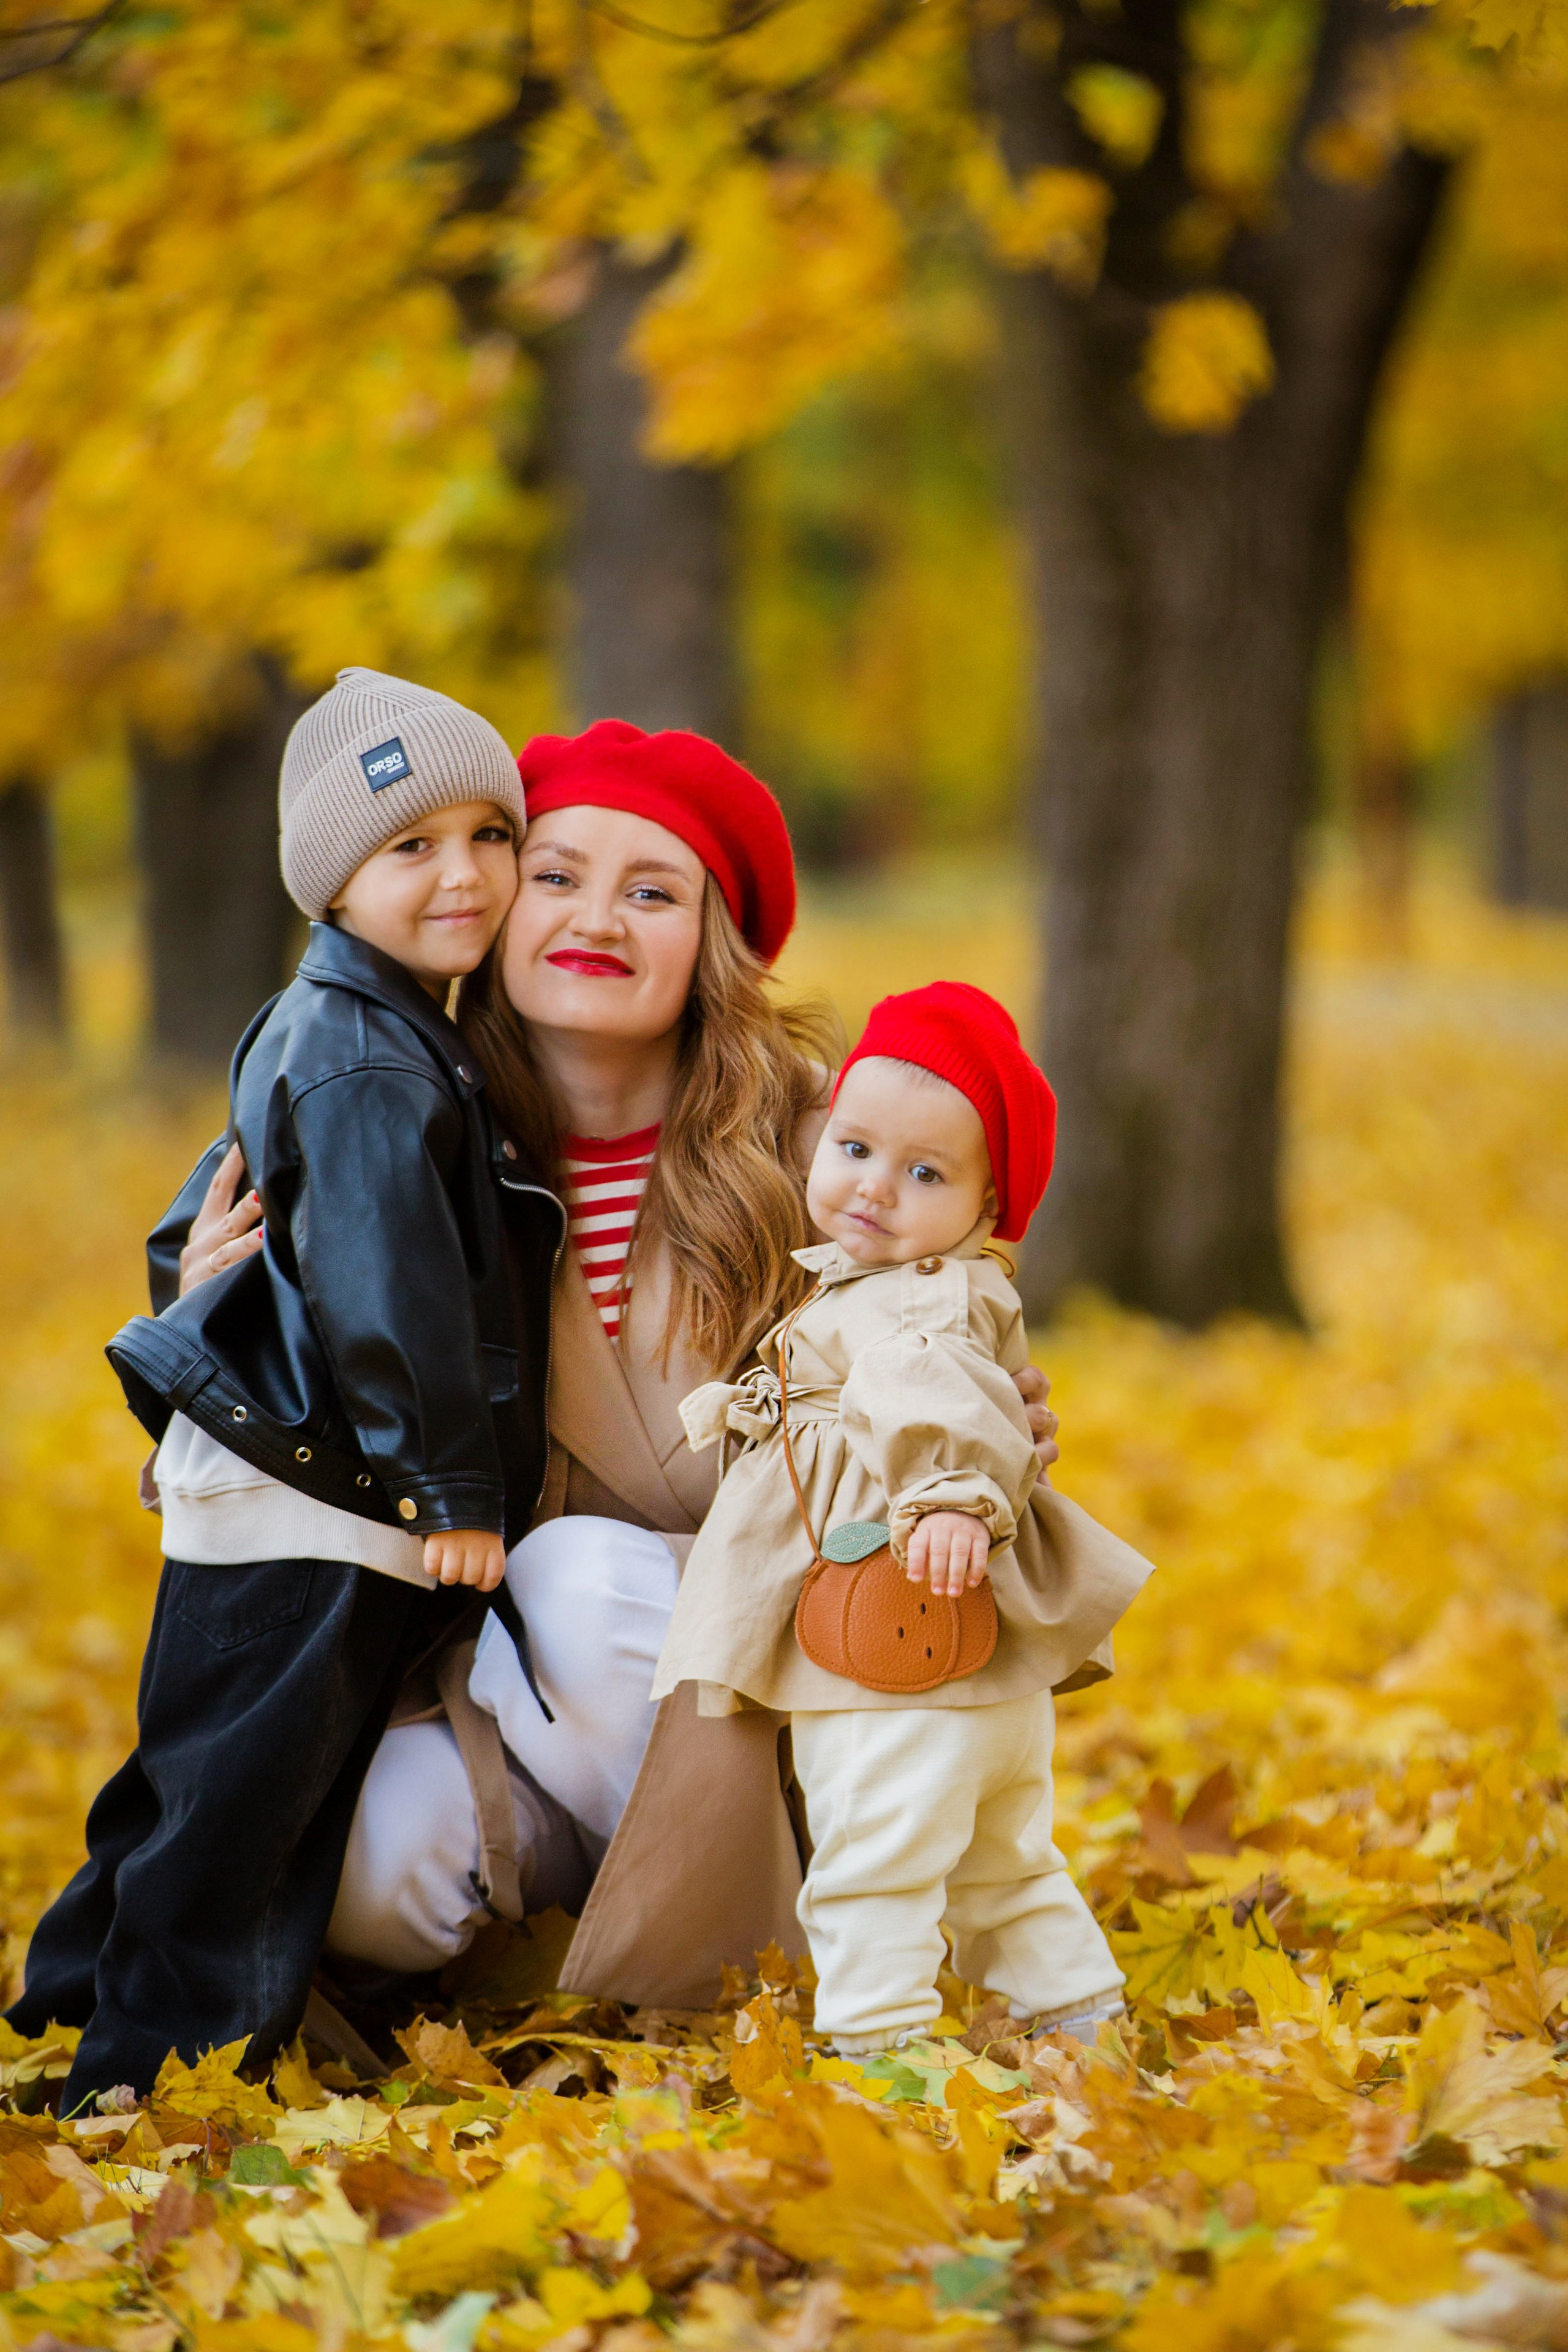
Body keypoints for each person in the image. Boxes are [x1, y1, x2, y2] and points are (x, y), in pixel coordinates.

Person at [183, 720, 1064, 2009]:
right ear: (492, 904)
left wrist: (989, 1422)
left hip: (781, 1671)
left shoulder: (824, 1148)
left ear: (709, 942)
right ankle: (598, 1929)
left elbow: (956, 1332)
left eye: (650, 891)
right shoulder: (390, 1120)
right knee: (371, 1871)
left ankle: (779, 1945)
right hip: (505, 1677)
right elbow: (275, 1419)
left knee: (586, 1580)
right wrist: (223, 1314)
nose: (597, 916)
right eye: (556, 874)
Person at [7, 669, 562, 2106]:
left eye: (488, 834)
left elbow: (194, 1222)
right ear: (333, 880)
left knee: (193, 1777)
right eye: (410, 847)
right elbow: (391, 1287)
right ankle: (150, 2075)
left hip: (301, 1484)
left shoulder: (351, 1023)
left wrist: (197, 1315)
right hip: (323, 1499)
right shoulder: (362, 1050)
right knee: (240, 1808)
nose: (464, 874)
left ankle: (67, 2002)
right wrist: (445, 1482)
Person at [650, 983, 1153, 2053]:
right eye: (856, 1148)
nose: (877, 1188)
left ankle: (877, 2051)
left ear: (984, 1210)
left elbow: (943, 1400)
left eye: (925, 1173)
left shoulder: (912, 1300)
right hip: (982, 1679)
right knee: (1002, 1862)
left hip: (896, 1645)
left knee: (871, 1858)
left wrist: (954, 1498)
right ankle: (1081, 2023)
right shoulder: (883, 1284)